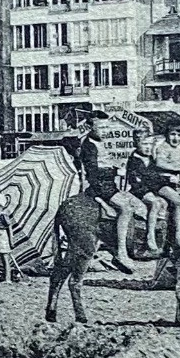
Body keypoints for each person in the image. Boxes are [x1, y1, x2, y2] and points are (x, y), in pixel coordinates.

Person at [76, 113, 137, 272]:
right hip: (100, 186)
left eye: (106, 127)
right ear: (90, 127)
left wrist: (117, 169)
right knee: (125, 208)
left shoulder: (100, 143)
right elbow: (93, 172)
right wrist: (115, 172)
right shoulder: (89, 146)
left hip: (108, 184)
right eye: (101, 127)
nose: (105, 131)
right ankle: (121, 252)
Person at [151, 125, 180, 252]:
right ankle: (178, 235)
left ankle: (173, 240)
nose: (176, 138)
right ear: (167, 135)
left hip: (172, 184)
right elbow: (159, 162)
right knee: (177, 202)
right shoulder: (163, 147)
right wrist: (176, 168)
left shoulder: (177, 150)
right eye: (173, 134)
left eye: (179, 135)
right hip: (160, 183)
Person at [123, 131, 164, 257]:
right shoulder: (134, 160)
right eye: (144, 144)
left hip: (149, 189)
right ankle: (150, 236)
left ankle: (161, 238)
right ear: (136, 144)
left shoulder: (150, 158)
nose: (148, 147)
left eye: (150, 144)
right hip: (138, 191)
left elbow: (155, 175)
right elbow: (137, 181)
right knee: (155, 203)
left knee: (165, 203)